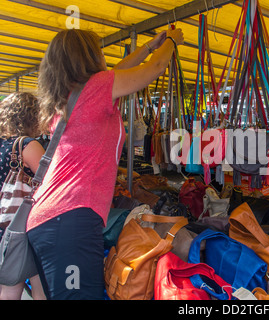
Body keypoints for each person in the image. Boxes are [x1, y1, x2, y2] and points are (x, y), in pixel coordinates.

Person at [26, 27, 184, 300]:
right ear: (88, 56)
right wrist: (171, 41)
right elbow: (157, 67)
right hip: (70, 219)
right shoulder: (96, 88)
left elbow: (122, 69)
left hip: (53, 218)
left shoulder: (72, 96)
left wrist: (148, 46)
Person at [0, 92, 46, 300]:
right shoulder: (27, 145)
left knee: (8, 282)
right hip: (23, 224)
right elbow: (49, 182)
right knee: (38, 281)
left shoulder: (2, 144)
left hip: (4, 221)